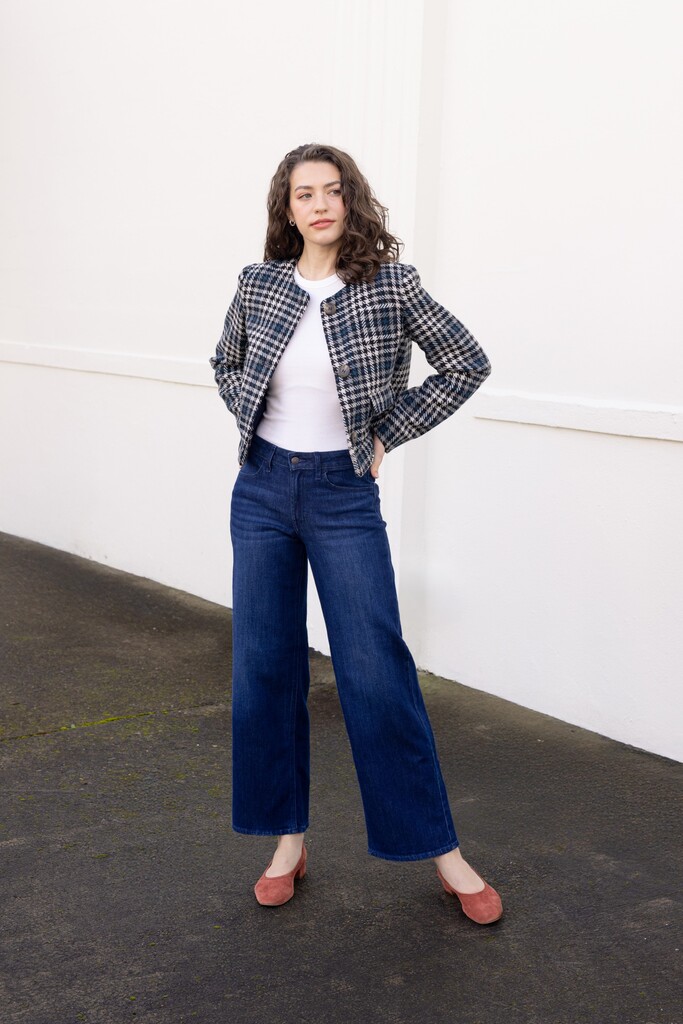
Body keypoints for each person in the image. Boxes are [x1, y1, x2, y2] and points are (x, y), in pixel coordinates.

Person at [210, 143, 502, 924]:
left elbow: (464, 365)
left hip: (343, 494)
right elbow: (224, 362)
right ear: (287, 208)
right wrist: (252, 417)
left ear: (350, 201)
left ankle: (442, 851)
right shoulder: (259, 282)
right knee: (264, 670)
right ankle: (286, 843)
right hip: (262, 491)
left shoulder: (389, 285)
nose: (318, 205)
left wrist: (385, 432)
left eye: (331, 191)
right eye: (303, 193)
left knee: (374, 672)